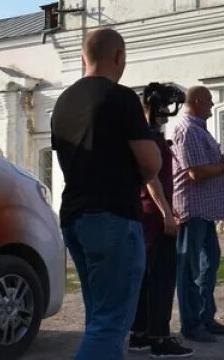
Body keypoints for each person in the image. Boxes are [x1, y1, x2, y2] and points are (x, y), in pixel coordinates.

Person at [51, 28, 160, 360]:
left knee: (99, 317)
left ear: (84, 57)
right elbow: (151, 163)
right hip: (112, 216)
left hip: (74, 216)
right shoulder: (121, 97)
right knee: (112, 322)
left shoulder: (63, 102)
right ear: (119, 57)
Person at [169, 85, 224, 344]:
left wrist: (222, 163)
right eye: (209, 101)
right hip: (192, 208)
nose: (211, 105)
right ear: (197, 101)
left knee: (209, 262)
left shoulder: (197, 129)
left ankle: (205, 316)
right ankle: (191, 324)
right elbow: (195, 173)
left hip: (205, 209)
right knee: (189, 267)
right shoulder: (187, 129)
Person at [128, 89, 193, 358]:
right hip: (153, 216)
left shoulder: (146, 136)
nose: (170, 110)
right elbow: (150, 177)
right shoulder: (148, 138)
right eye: (166, 105)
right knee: (161, 278)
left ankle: (140, 333)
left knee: (146, 277)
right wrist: (166, 212)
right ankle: (159, 337)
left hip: (145, 215)